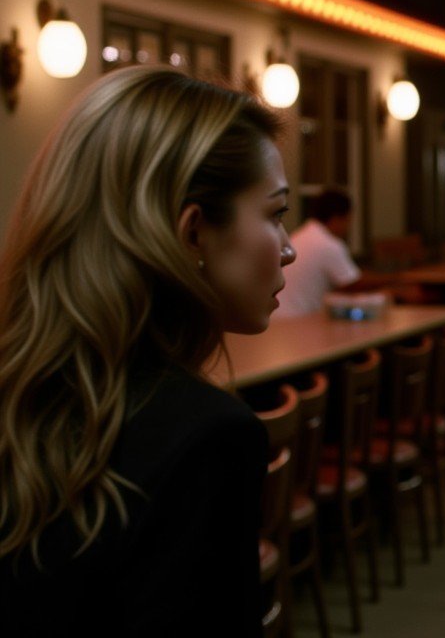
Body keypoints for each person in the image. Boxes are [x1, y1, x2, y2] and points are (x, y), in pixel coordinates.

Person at [0, 67, 296, 635]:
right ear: (191, 234)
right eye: (275, 214)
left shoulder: (23, 397)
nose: (287, 250)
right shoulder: (206, 438)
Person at [275, 187, 395, 317]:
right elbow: (353, 284)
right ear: (338, 217)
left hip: (278, 318)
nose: (348, 227)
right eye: (349, 219)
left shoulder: (302, 234)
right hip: (298, 321)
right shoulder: (327, 243)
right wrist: (397, 280)